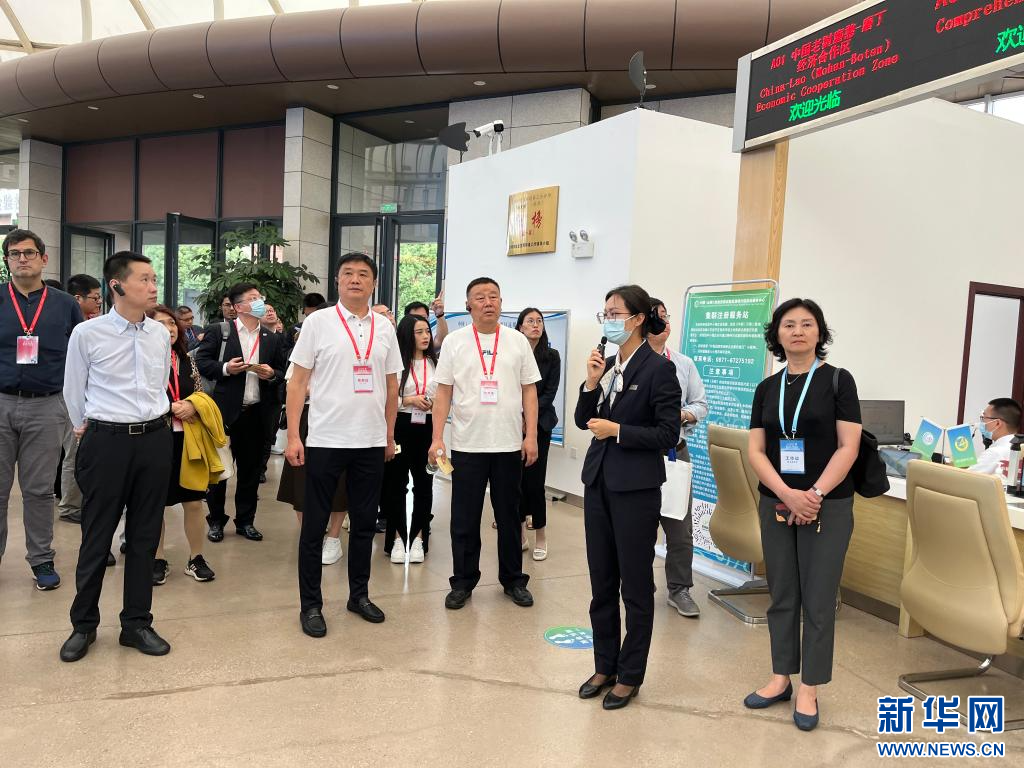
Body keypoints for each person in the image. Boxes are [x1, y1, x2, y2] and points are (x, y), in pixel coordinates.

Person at [744, 298, 861, 732]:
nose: (797, 331)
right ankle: (781, 677)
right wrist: (786, 494)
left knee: (818, 597)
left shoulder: (838, 381)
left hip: (827, 504)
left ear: (819, 333)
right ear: (776, 334)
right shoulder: (766, 388)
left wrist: (812, 494)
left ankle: (809, 687)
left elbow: (848, 446)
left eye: (807, 324)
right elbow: (756, 450)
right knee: (782, 593)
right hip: (776, 501)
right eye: (789, 324)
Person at [59, 251, 173, 662]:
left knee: (144, 536)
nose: (153, 286)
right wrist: (86, 427)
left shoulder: (159, 334)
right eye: (144, 279)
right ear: (117, 285)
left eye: (154, 278)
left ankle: (136, 623)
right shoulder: (88, 334)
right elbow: (73, 389)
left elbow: (160, 384)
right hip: (106, 441)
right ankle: (83, 625)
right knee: (97, 534)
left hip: (155, 439)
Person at [575, 285, 681, 711]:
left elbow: (667, 434)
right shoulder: (608, 365)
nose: (608, 320)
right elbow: (583, 420)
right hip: (598, 482)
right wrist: (590, 382)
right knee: (601, 581)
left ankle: (630, 674)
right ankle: (605, 665)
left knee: (635, 586)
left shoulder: (659, 370)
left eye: (615, 313)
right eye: (605, 314)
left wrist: (618, 431)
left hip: (636, 489)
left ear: (637, 319)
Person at [286, 252, 403, 636]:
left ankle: (359, 595)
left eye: (363, 274)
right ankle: (310, 605)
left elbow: (391, 386)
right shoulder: (318, 323)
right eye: (348, 273)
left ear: (374, 283)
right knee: (314, 526)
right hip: (326, 440)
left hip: (370, 441)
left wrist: (388, 435)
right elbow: (297, 383)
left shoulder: (384, 328)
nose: (355, 279)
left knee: (365, 524)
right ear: (337, 281)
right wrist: (293, 435)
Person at [430, 277, 541, 610]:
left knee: (509, 516)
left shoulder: (517, 341)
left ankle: (513, 580)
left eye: (493, 296)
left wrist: (531, 435)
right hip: (468, 445)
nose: (488, 302)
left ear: (501, 303)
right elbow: (443, 392)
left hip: (508, 444)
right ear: (468, 305)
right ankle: (463, 582)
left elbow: (529, 391)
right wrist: (437, 437)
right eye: (480, 297)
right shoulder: (455, 342)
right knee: (464, 519)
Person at [0, 229, 83, 589]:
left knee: (38, 491)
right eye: (14, 253)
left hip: (47, 405)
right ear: (7, 260)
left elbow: (81, 357)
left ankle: (41, 559)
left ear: (43, 258)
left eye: (29, 253)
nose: (22, 259)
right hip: (0, 401)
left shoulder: (65, 304)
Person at [196, 283, 288, 542]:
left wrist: (271, 374)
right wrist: (226, 368)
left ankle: (246, 521)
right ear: (238, 307)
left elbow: (282, 372)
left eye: (260, 297)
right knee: (220, 471)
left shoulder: (271, 337)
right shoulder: (220, 331)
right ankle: (216, 521)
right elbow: (202, 362)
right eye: (253, 298)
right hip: (223, 412)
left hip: (256, 413)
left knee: (250, 471)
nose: (260, 302)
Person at [647, 298, 708, 618]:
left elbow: (701, 404)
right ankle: (640, 584)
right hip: (639, 455)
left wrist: (682, 414)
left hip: (674, 454)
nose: (665, 322)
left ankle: (679, 589)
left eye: (666, 316)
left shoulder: (683, 363)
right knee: (640, 526)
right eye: (657, 317)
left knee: (680, 528)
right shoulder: (629, 363)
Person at [148, 305, 216, 585]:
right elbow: (139, 397)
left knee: (194, 501)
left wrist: (192, 405)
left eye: (172, 323)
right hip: (155, 438)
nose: (170, 329)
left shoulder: (186, 359)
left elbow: (200, 392)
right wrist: (169, 407)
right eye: (161, 324)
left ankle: (196, 558)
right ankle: (157, 558)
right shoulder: (144, 359)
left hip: (188, 438)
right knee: (154, 504)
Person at [381, 314, 437, 563]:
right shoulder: (396, 365)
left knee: (424, 485)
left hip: (428, 428)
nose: (425, 336)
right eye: (419, 332)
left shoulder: (435, 363)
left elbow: (445, 393)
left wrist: (432, 401)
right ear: (406, 335)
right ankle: (396, 539)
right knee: (395, 485)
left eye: (427, 331)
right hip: (400, 426)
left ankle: (418, 539)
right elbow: (385, 397)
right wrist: (409, 400)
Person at [57, 273, 102, 525]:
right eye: (95, 298)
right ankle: (70, 506)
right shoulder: (70, 327)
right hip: (70, 397)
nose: (99, 302)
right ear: (78, 299)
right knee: (75, 452)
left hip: (91, 398)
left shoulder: (91, 325)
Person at [515, 308, 560, 561]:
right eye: (530, 321)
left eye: (539, 321)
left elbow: (549, 393)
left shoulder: (551, 356)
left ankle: (540, 535)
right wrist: (519, 416)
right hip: (513, 424)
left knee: (535, 482)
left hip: (540, 425)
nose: (536, 325)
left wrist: (528, 416)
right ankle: (521, 534)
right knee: (517, 482)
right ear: (520, 327)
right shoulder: (513, 353)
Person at [970, 398, 1022, 480]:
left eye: (984, 418)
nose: (981, 423)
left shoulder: (995, 452)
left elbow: (964, 480)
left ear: (997, 423)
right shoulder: (1020, 448)